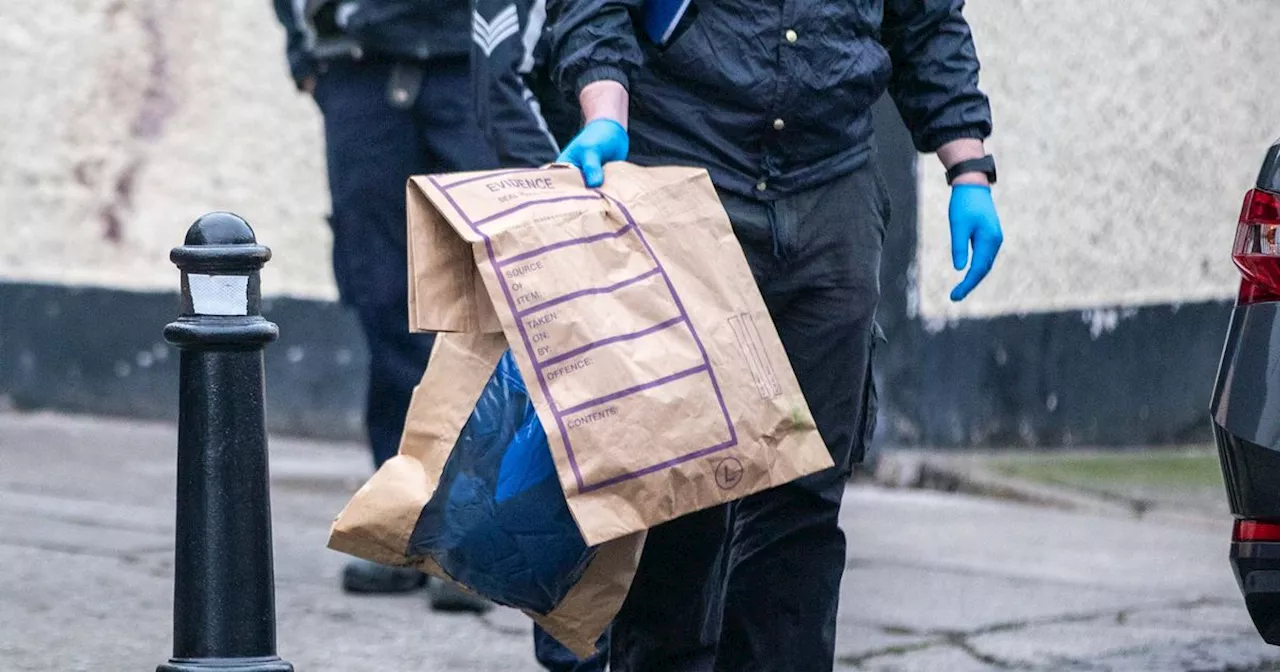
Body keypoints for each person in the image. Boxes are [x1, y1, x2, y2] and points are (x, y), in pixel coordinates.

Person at [548, 0, 1003, 669]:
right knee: (681, 493)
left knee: (806, 494)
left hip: (832, 192)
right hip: (688, 178)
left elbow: (928, 21)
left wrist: (969, 168)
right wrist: (606, 114)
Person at [271, 0, 494, 611]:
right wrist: (305, 56)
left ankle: (470, 543)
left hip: (473, 68)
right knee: (383, 303)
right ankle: (403, 530)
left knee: (482, 308)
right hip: (361, 71)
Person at [468, 0, 611, 666]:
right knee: (569, 464)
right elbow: (505, 79)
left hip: (688, 209)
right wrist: (563, 203)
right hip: (578, 219)